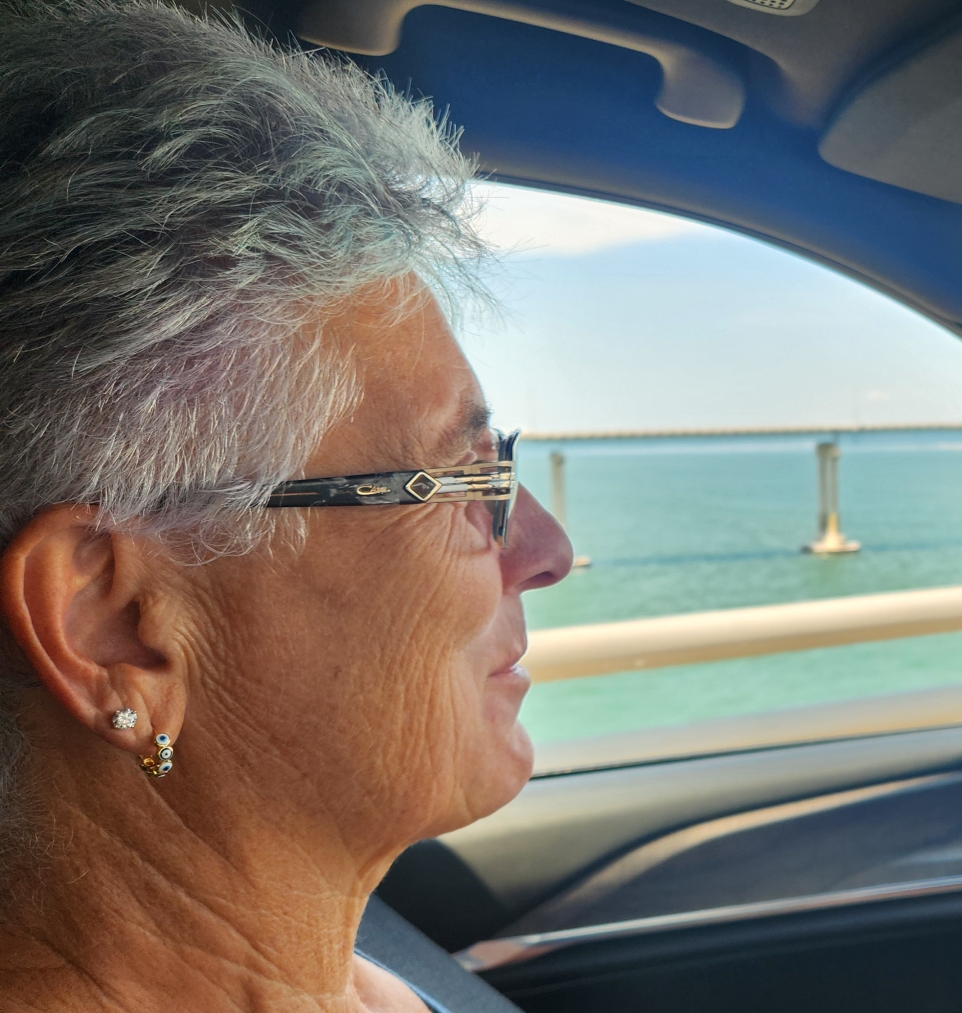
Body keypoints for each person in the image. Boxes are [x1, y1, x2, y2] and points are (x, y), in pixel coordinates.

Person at [0, 2, 574, 1010]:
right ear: (116, 622)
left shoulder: (347, 971)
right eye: (462, 481)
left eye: (503, 466)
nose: (547, 547)